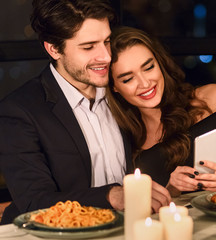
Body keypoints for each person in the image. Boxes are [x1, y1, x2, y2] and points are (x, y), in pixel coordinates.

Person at [0, 0, 170, 224]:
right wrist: (111, 196)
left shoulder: (120, 87)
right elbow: (34, 202)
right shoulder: (19, 110)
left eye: (107, 41)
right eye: (89, 47)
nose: (106, 56)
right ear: (53, 48)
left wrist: (171, 184)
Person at [106, 26, 216, 197]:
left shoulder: (214, 99)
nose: (144, 83)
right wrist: (172, 189)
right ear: (114, 87)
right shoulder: (123, 140)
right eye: (128, 79)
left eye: (149, 68)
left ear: (160, 64)